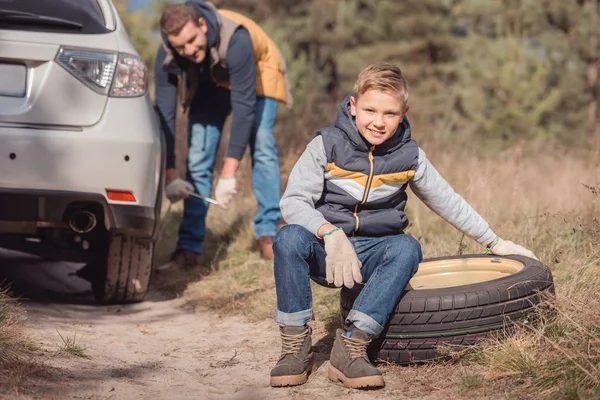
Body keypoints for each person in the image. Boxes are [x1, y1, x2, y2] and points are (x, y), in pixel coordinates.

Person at [269, 62, 538, 389]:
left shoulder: (410, 156)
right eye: (370, 110)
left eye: (390, 114)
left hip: (372, 253)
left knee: (407, 247)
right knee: (288, 239)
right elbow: (293, 202)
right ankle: (295, 346)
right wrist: (330, 233)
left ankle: (352, 346)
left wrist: (496, 243)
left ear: (404, 112)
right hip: (326, 249)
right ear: (353, 106)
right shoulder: (325, 145)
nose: (378, 122)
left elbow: (447, 201)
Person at [154, 0, 292, 268]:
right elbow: (166, 116)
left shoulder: (236, 38)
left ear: (202, 25)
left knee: (261, 144)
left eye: (193, 40)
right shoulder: (168, 53)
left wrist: (228, 174)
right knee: (197, 159)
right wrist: (170, 173)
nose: (189, 50)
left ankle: (269, 234)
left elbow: (244, 109)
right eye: (181, 46)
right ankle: (189, 249)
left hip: (257, 74)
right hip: (208, 83)